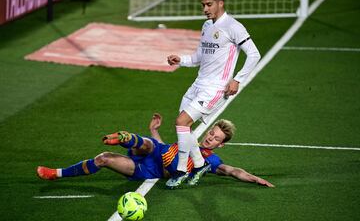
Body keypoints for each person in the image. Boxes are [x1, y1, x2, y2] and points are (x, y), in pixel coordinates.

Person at [166, 0, 261, 188]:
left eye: (209, 4)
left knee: (181, 122)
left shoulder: (234, 26)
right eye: (203, 5)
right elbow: (199, 57)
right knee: (185, 128)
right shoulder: (206, 26)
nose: (205, 9)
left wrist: (237, 79)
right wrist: (180, 60)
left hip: (216, 88)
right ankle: (200, 164)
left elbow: (254, 54)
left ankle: (181, 170)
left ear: (220, 3)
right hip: (198, 84)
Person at [37, 113, 274, 188]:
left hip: (147, 169)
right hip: (153, 150)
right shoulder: (187, 139)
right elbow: (163, 148)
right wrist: (154, 130)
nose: (210, 137)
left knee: (103, 159)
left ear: (221, 144)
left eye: (216, 139)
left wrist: (256, 179)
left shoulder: (210, 159)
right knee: (150, 143)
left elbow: (233, 171)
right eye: (212, 132)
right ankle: (123, 137)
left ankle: (54, 174)